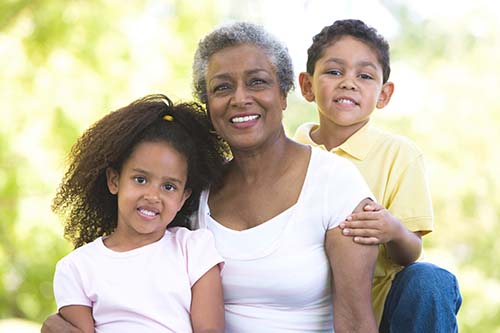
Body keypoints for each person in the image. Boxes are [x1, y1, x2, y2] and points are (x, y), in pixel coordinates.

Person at [42, 22, 379, 333]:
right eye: (222, 87)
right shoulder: (193, 196)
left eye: (257, 81)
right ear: (207, 104)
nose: (240, 98)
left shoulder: (334, 182)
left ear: (283, 93)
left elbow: (356, 320)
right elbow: (137, 280)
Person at [293, 19, 462, 332]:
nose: (349, 82)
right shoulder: (289, 154)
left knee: (430, 281)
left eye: (365, 75)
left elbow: (411, 250)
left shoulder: (400, 155)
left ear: (384, 94)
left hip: (380, 314)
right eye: (333, 71)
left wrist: (393, 230)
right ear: (306, 85)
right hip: (302, 313)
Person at [48, 94, 227, 333]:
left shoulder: (193, 249)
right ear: (114, 181)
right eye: (140, 179)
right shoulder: (76, 268)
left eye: (169, 186)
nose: (153, 196)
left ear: (184, 196)